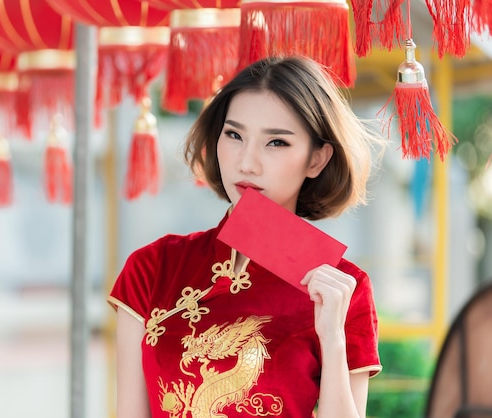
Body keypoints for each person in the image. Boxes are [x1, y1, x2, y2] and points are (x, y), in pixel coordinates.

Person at [108, 56, 384, 418]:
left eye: (277, 143)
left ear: (316, 160)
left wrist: (332, 339)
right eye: (234, 135)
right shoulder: (153, 268)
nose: (247, 162)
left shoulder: (344, 290)